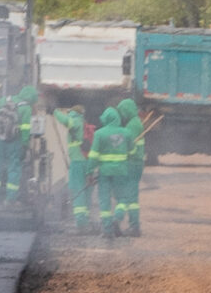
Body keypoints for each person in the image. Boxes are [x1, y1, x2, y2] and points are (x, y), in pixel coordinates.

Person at [0, 82, 35, 201]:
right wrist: (25, 145)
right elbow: (26, 129)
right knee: (14, 169)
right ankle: (10, 199)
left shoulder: (4, 100)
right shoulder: (26, 108)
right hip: (14, 142)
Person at [86, 105, 131, 238]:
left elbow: (93, 156)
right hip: (121, 172)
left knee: (104, 200)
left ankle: (107, 231)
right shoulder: (126, 133)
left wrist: (89, 172)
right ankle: (117, 217)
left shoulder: (99, 134)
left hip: (104, 173)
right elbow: (132, 151)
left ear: (105, 119)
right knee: (122, 198)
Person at [112, 96, 146, 236]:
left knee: (128, 193)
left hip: (132, 163)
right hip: (135, 163)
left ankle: (120, 219)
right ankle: (134, 225)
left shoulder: (133, 124)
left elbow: (125, 142)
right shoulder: (134, 122)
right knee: (132, 196)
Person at [58, 104, 92, 231]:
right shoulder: (83, 122)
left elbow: (66, 121)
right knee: (87, 190)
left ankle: (81, 222)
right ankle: (86, 218)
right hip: (87, 161)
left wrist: (55, 112)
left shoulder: (75, 121)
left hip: (77, 162)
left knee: (77, 189)